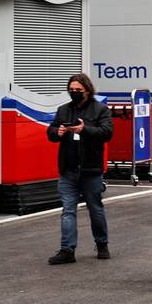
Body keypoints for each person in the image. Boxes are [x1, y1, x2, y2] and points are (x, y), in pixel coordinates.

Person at [47, 73, 114, 264]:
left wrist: (85, 129)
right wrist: (57, 132)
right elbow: (50, 132)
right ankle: (67, 249)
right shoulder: (63, 110)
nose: (74, 93)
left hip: (91, 169)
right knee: (68, 210)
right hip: (68, 169)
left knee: (95, 209)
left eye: (78, 90)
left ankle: (102, 243)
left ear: (87, 90)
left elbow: (107, 133)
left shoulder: (100, 110)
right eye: (72, 90)